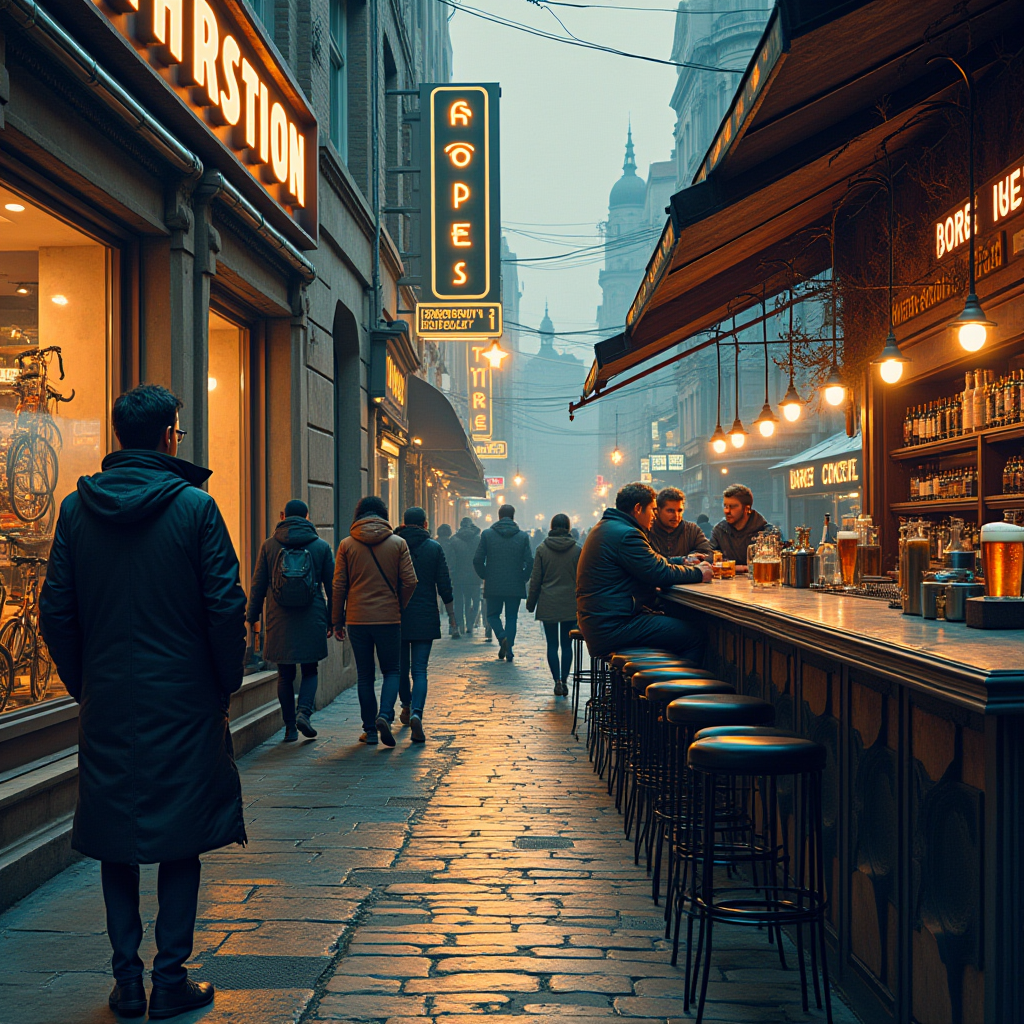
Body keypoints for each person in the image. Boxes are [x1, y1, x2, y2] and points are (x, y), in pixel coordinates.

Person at [39, 384, 247, 1020]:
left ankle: (127, 980)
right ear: (168, 436)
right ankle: (169, 978)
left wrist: (87, 683)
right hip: (184, 699)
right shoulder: (195, 507)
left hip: (109, 699)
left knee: (116, 835)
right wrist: (224, 681)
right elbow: (225, 605)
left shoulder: (76, 510)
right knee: (181, 836)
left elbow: (55, 611)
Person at [576, 482, 713, 663]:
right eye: (652, 510)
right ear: (638, 508)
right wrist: (698, 573)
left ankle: (655, 685)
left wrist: (682, 561)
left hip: (601, 623)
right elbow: (660, 573)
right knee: (693, 637)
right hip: (615, 626)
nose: (654, 516)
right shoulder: (627, 534)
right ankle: (677, 689)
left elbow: (649, 564)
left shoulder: (609, 527)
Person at [246, 498, 335, 742]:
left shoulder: (269, 546)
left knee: (284, 674)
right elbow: (332, 586)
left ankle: (289, 728)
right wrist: (334, 620)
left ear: (283, 515)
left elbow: (258, 585)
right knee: (310, 669)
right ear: (307, 516)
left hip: (278, 616)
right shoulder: (321, 546)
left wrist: (252, 616)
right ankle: (304, 712)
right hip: (312, 614)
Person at [332, 495, 418, 747]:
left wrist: (337, 620)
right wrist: (398, 603)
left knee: (365, 675)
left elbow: (339, 585)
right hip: (388, 618)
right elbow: (411, 581)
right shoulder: (398, 543)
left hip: (357, 618)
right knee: (392, 670)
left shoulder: (347, 544)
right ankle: (385, 715)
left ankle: (369, 731)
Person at [394, 508, 458, 741]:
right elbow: (444, 583)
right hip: (425, 614)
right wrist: (451, 615)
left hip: (397, 615)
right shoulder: (434, 548)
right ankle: (417, 713)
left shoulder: (394, 546)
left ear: (403, 522)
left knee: (400, 668)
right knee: (420, 669)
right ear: (425, 523)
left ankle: (406, 706)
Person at [526, 513, 582, 695]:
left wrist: (531, 603)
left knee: (552, 644)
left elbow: (535, 580)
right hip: (569, 603)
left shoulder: (542, 549)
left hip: (548, 601)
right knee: (567, 645)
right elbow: (583, 579)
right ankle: (565, 680)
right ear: (568, 526)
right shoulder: (577, 550)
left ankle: (556, 680)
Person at [473, 504, 533, 661]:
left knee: (492, 615)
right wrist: (524, 577)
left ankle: (502, 637)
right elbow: (530, 561)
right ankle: (509, 649)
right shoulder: (522, 536)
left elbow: (478, 559)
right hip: (515, 583)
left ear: (499, 516)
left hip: (493, 583)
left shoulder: (487, 535)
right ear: (513, 516)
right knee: (512, 617)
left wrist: (485, 575)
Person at [648, 487, 714, 562]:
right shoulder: (648, 530)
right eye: (670, 511)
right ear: (658, 510)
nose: (676, 515)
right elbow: (648, 562)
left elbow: (708, 553)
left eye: (680, 510)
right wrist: (684, 560)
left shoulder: (692, 531)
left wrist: (693, 557)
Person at [709, 484, 769, 566]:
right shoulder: (719, 531)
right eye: (725, 506)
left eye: (732, 507)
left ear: (747, 509)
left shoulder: (766, 532)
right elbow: (710, 560)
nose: (727, 511)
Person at [448, 517, 483, 636]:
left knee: (459, 602)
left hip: (458, 576)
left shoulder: (453, 540)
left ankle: (460, 625)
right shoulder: (479, 539)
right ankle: (470, 624)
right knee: (475, 601)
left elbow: (451, 560)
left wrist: (451, 573)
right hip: (475, 576)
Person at [435, 523, 456, 636]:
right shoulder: (452, 544)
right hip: (449, 573)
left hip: (435, 573)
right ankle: (452, 624)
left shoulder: (434, 543)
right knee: (450, 598)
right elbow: (454, 559)